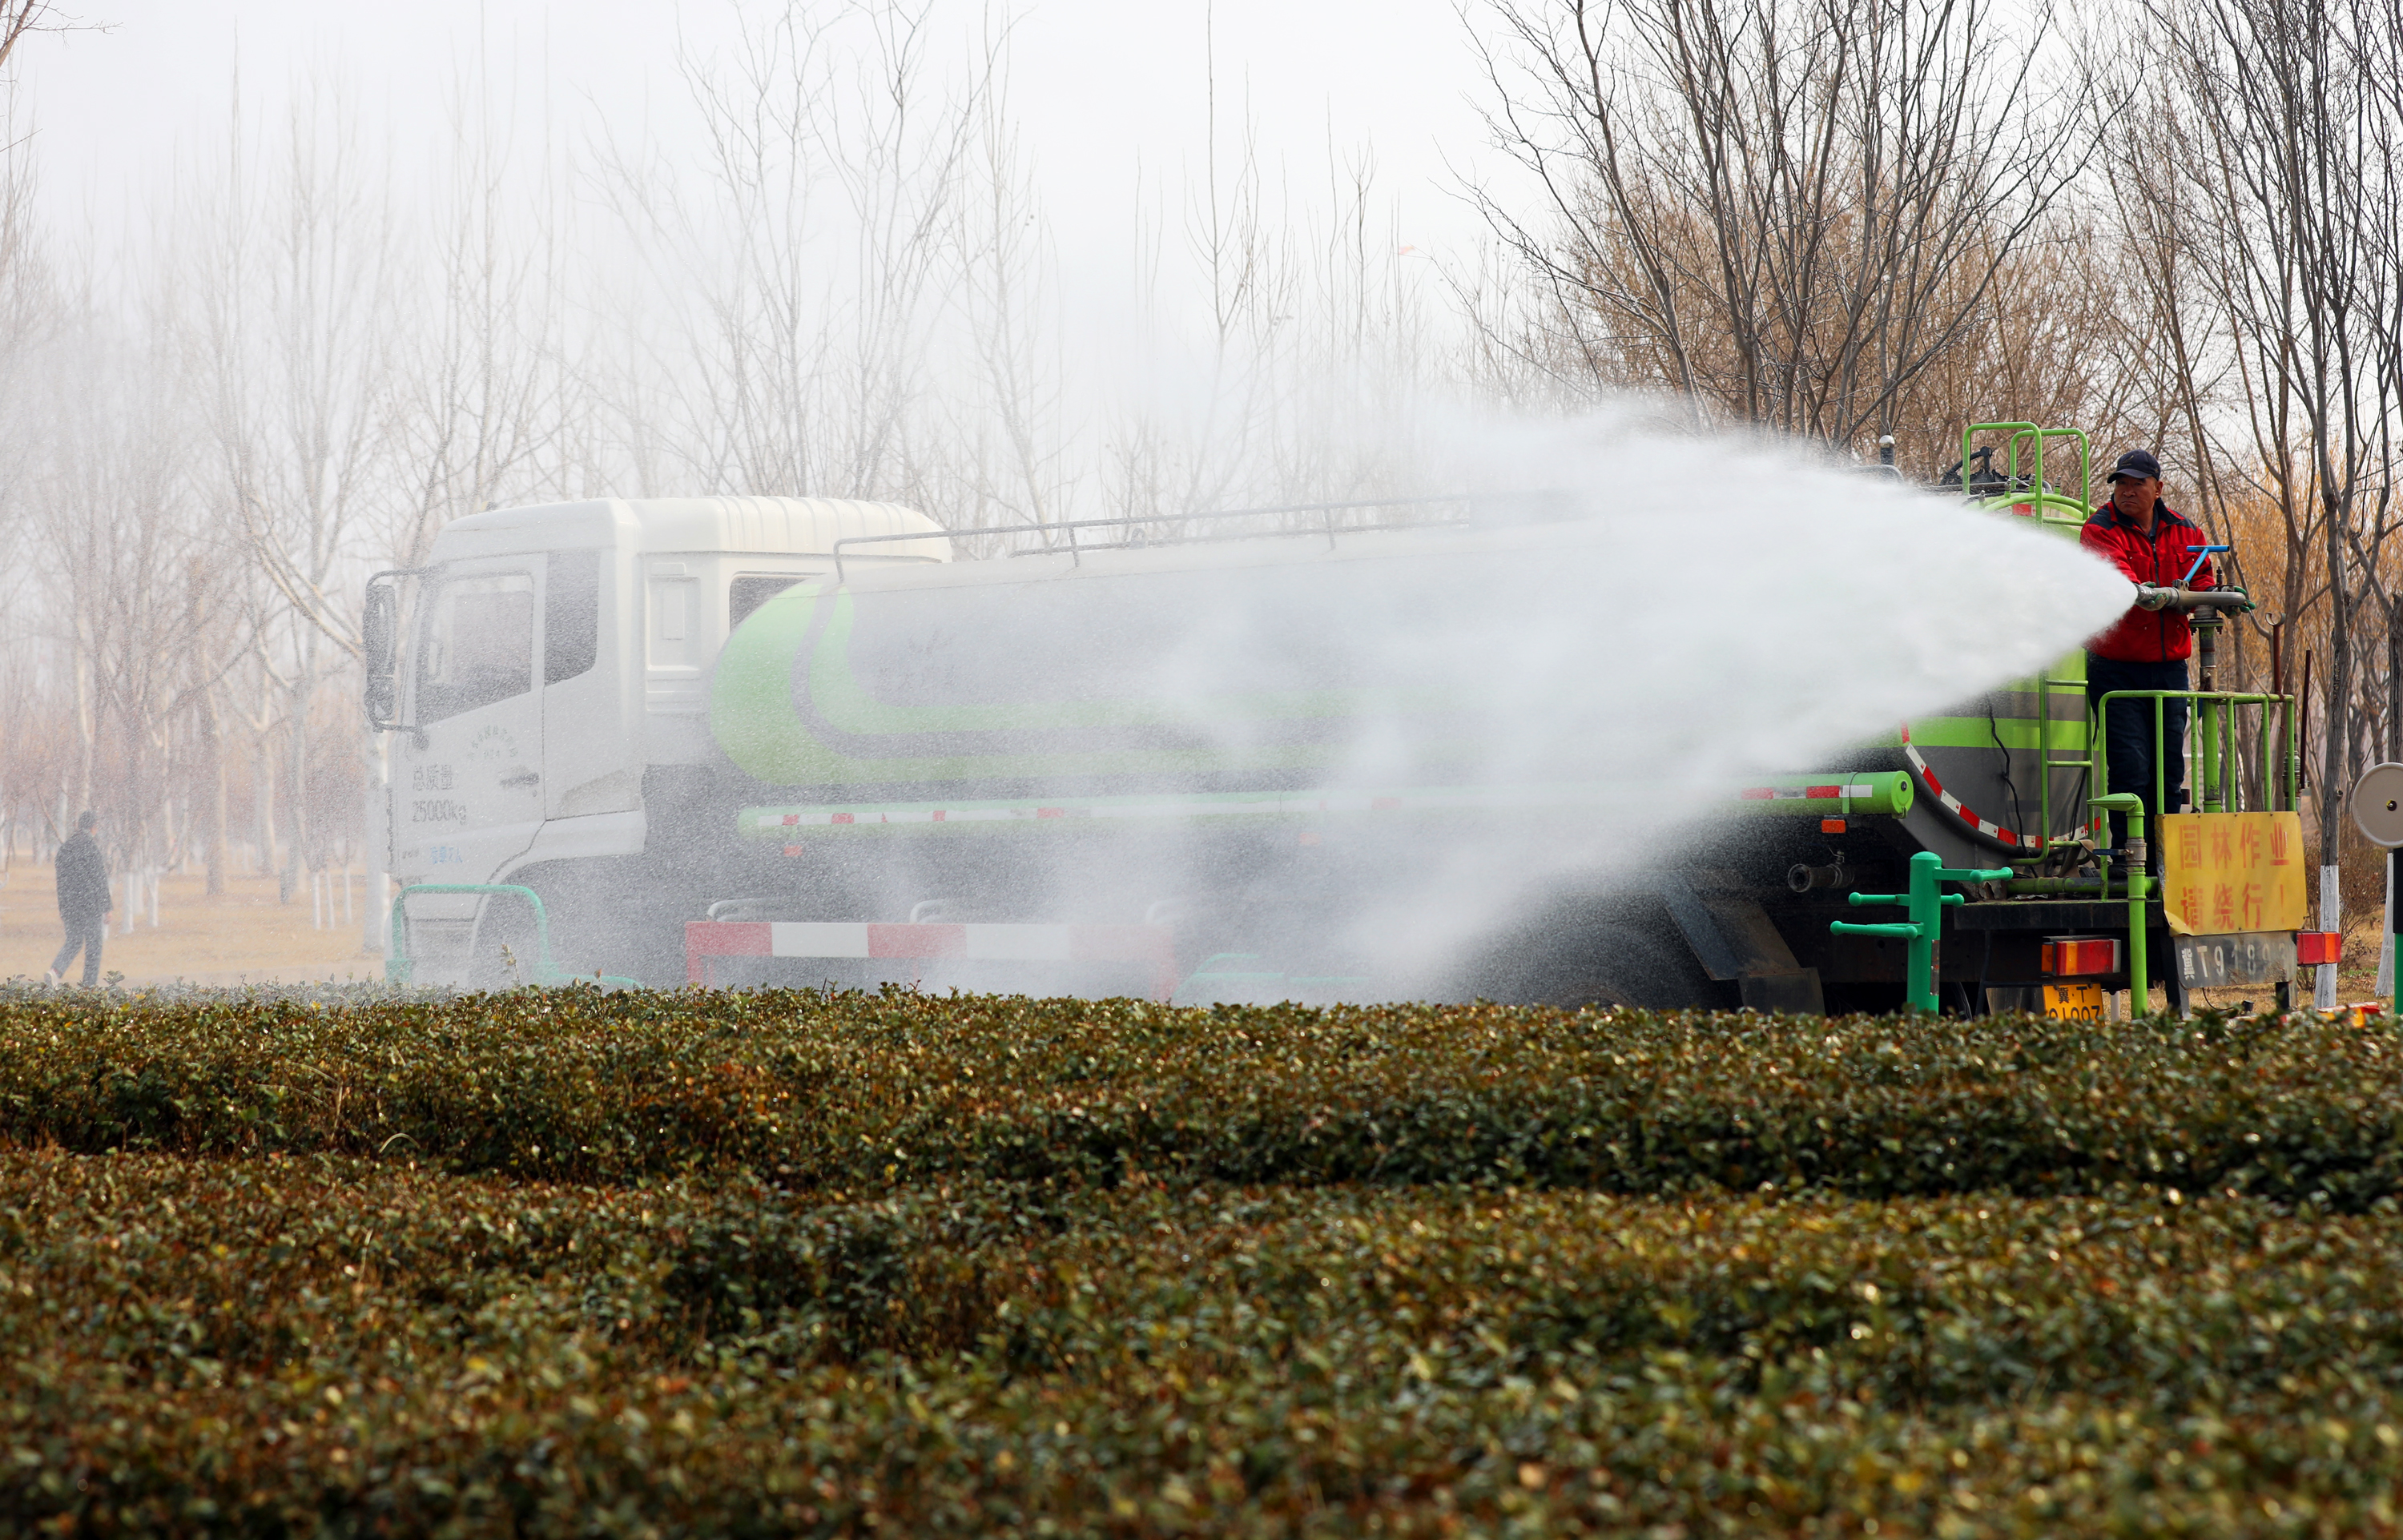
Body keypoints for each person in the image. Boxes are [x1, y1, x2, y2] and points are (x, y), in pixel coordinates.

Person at [2079, 448, 2218, 858]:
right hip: (2116, 669)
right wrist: (2147, 593)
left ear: (2158, 488)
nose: (2127, 491)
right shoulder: (2101, 528)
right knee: (2131, 766)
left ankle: (2165, 858)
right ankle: (2130, 857)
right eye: (2121, 483)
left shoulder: (2185, 531)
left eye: (2137, 483)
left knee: (2169, 769)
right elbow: (2116, 575)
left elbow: (2202, 578)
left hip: (2170, 669)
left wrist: (2216, 596)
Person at [44, 810, 111, 987]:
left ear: (78, 826)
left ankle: (55, 971)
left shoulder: (65, 848)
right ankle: (89, 986)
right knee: (94, 946)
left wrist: (63, 907)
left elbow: (61, 882)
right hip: (90, 905)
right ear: (94, 827)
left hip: (70, 905)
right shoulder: (91, 848)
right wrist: (107, 908)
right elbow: (100, 878)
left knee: (74, 941)